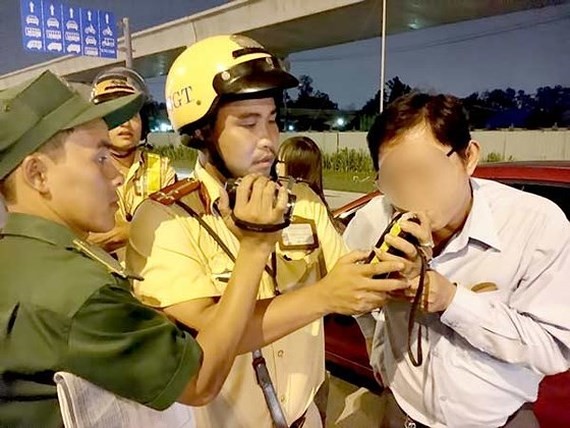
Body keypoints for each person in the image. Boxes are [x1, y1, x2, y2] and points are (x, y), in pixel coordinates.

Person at [126, 34, 408, 428]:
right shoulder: (167, 220)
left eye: (273, 120)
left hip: (305, 417)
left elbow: (352, 279)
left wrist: (400, 258)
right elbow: (212, 333)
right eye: (247, 123)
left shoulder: (303, 201)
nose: (268, 140)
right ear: (203, 130)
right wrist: (325, 296)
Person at [0, 70, 292, 427]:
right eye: (99, 158)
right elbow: (199, 382)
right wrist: (255, 247)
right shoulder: (77, 292)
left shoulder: (21, 256)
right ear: (37, 175)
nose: (116, 175)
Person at [343, 92, 570, 428]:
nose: (411, 192)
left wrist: (450, 300)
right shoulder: (373, 219)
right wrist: (375, 346)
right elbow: (357, 296)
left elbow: (554, 348)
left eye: (424, 171)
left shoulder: (536, 225)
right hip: (401, 409)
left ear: (468, 157)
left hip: (498, 421)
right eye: (393, 177)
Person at [87, 67, 176, 259]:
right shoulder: (85, 171)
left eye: (132, 115)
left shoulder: (161, 167)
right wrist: (146, 229)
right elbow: (85, 238)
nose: (125, 124)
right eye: (115, 115)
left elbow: (176, 229)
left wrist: (127, 231)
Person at [278, 136, 344, 233]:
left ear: (294, 167)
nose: (275, 165)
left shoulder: (299, 208)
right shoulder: (318, 206)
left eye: (279, 161)